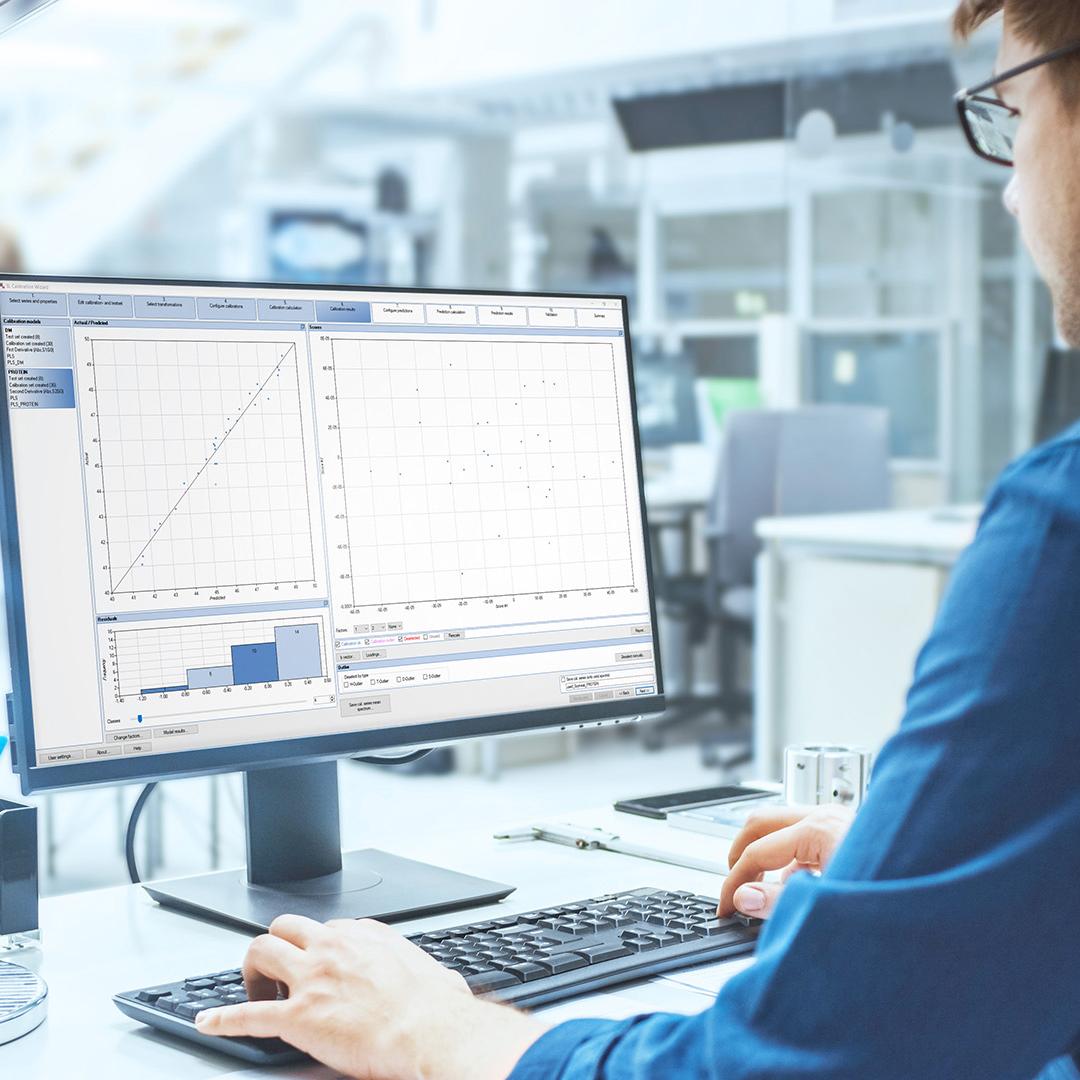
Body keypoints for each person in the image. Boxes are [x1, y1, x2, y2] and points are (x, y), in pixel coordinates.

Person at [196, 2, 1080, 1076]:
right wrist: (937, 881)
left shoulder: (1063, 528)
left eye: (1012, 111)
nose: (1007, 183)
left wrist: (442, 1032)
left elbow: (810, 1067)